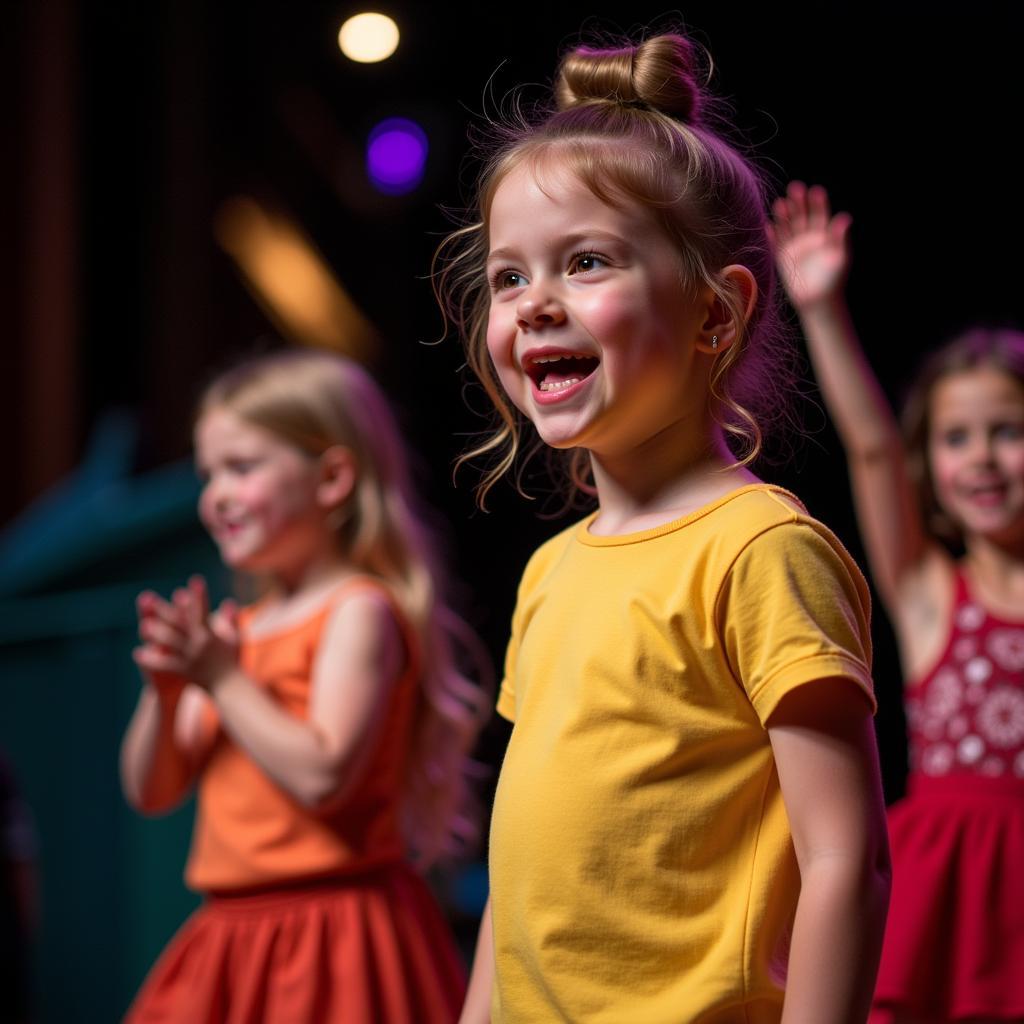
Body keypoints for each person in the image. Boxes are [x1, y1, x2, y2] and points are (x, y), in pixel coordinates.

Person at [436, 31, 892, 1024]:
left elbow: (844, 861)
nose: (532, 305)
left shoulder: (761, 550)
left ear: (714, 314)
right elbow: (518, 882)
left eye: (585, 262)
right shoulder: (551, 571)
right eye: (508, 277)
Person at [120, 348, 488, 1023]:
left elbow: (323, 777)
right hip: (231, 934)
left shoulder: (358, 611)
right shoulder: (239, 631)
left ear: (332, 478)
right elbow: (152, 791)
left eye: (242, 467)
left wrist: (222, 677)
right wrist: (166, 691)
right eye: (208, 474)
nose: (215, 495)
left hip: (334, 936)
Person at [772, 182, 1024, 1023]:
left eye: (1008, 431)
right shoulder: (929, 595)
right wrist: (823, 311)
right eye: (957, 437)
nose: (983, 458)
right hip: (947, 887)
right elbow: (874, 452)